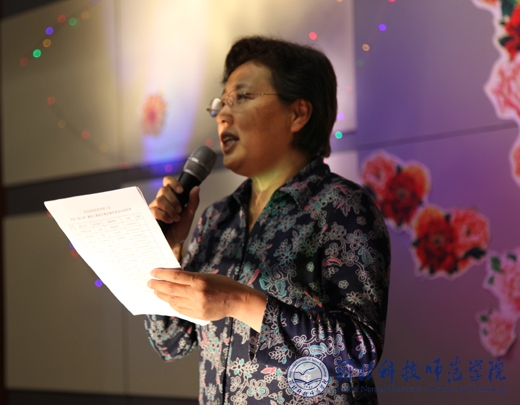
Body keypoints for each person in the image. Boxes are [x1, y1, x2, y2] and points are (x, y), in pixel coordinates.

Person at [145, 36, 391, 405]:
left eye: (242, 97)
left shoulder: (342, 206)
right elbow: (169, 343)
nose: (223, 116)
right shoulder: (217, 218)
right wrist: (171, 248)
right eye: (221, 103)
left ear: (298, 114)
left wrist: (238, 300)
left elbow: (359, 350)